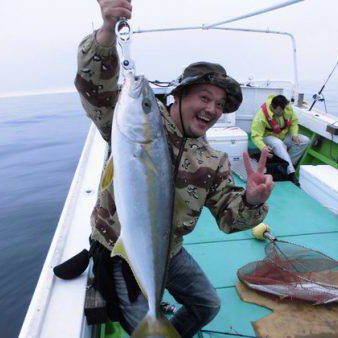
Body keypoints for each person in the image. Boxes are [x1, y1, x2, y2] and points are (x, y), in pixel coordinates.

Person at [70, 0, 273, 336]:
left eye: (220, 105)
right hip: (117, 247)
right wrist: (108, 31)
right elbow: (96, 89)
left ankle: (167, 330)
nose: (212, 109)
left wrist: (252, 199)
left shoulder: (212, 160)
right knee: (138, 320)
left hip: (169, 251)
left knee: (208, 304)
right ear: (179, 95)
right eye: (204, 97)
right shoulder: (141, 124)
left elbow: (229, 218)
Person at [251, 94, 309, 185]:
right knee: (278, 144)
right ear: (272, 107)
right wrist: (263, 147)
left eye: (283, 112)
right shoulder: (260, 116)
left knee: (305, 140)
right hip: (268, 137)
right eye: (279, 113)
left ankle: (286, 165)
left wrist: (294, 134)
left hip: (284, 135)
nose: (281, 114)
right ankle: (291, 173)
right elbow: (255, 136)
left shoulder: (287, 109)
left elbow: (294, 122)